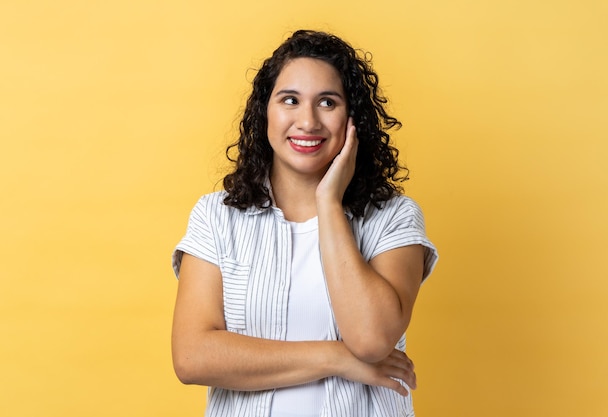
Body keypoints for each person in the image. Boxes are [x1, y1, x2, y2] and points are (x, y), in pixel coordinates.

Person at [171, 29, 438, 417]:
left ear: (352, 118)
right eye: (290, 100)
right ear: (266, 111)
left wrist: (328, 203)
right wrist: (336, 358)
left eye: (327, 102)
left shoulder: (393, 217)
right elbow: (193, 357)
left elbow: (372, 340)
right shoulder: (217, 216)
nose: (307, 121)